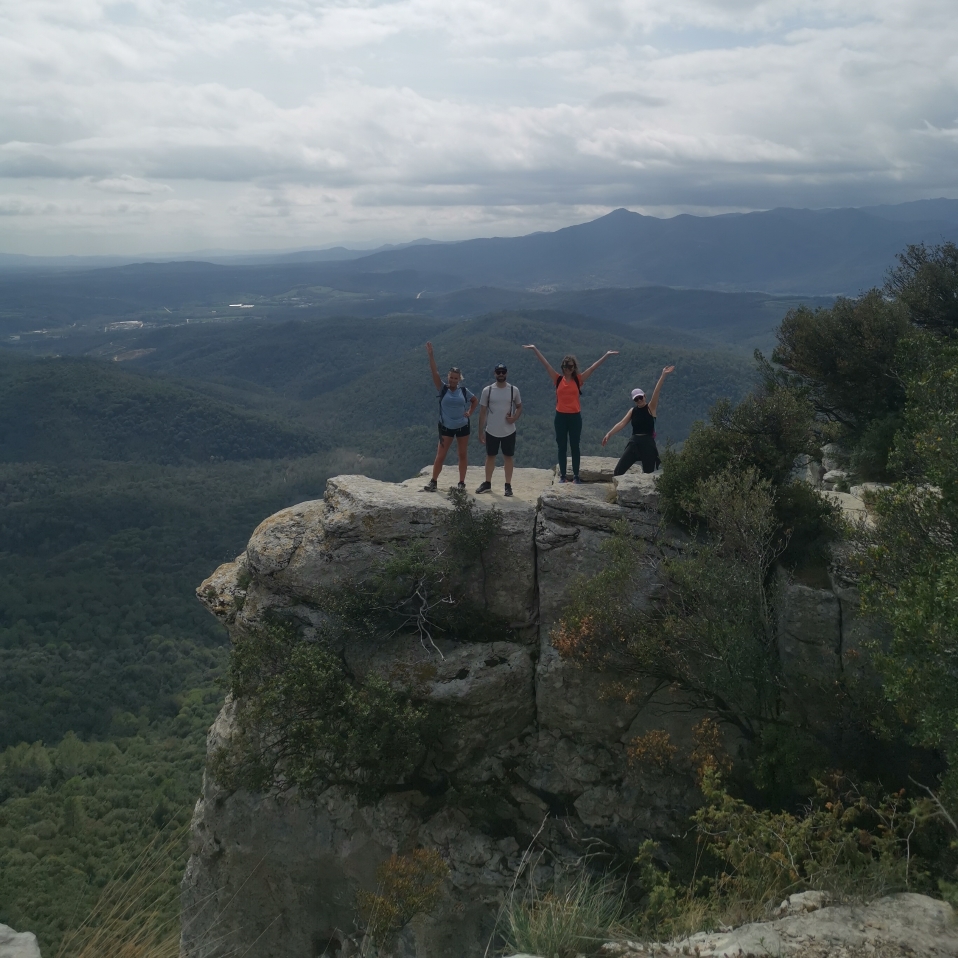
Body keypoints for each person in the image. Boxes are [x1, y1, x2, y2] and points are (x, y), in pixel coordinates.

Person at [523, 344, 619, 483]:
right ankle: (563, 476)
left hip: (575, 417)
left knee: (575, 446)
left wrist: (606, 355)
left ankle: (576, 476)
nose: (567, 369)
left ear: (574, 368)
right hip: (560, 417)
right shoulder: (558, 379)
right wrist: (535, 349)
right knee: (561, 447)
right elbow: (546, 365)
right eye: (565, 366)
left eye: (570, 366)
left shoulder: (578, 380)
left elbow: (592, 368)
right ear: (562, 367)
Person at [423, 342, 478, 492]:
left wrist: (469, 412)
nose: (453, 380)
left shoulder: (464, 391)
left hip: (462, 426)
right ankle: (433, 481)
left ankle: (461, 483)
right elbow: (434, 372)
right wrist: (431, 355)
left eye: (456, 378)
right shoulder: (442, 388)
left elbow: (475, 400)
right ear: (448, 377)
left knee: (462, 454)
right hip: (446, 427)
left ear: (459, 379)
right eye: (451, 378)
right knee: (440, 455)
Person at [601, 365, 676, 475]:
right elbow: (621, 423)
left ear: (644, 396)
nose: (639, 400)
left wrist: (663, 375)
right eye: (636, 399)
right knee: (618, 471)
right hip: (634, 442)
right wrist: (609, 434)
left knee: (648, 474)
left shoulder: (651, 408)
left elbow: (656, 392)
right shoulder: (633, 411)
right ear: (634, 400)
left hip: (648, 443)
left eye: (640, 397)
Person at [476, 362, 523, 497]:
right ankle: (487, 483)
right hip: (491, 430)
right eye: (498, 372)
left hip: (509, 430)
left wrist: (514, 418)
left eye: (503, 372)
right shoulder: (487, 390)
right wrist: (480, 431)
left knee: (508, 457)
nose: (501, 374)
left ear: (506, 373)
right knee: (490, 456)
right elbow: (482, 412)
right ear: (494, 373)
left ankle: (508, 485)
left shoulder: (513, 390)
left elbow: (519, 406)